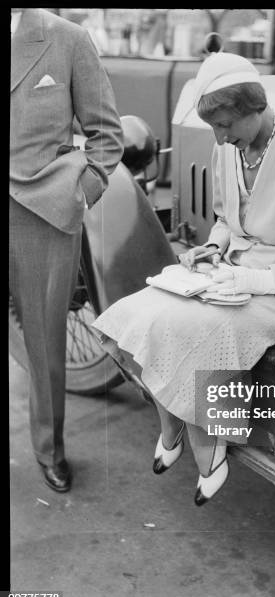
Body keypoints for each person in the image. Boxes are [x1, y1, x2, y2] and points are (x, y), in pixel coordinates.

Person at [92, 52, 275, 505]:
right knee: (135, 313)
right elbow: (224, 219)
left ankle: (208, 444)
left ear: (255, 107)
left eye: (226, 125)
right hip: (227, 274)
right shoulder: (226, 148)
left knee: (193, 332)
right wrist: (213, 246)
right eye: (214, 128)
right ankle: (173, 420)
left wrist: (260, 281)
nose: (219, 137)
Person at [10, 8, 124, 492]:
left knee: (45, 343)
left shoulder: (68, 39)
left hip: (42, 212)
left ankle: (50, 451)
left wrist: (81, 190)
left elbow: (106, 133)